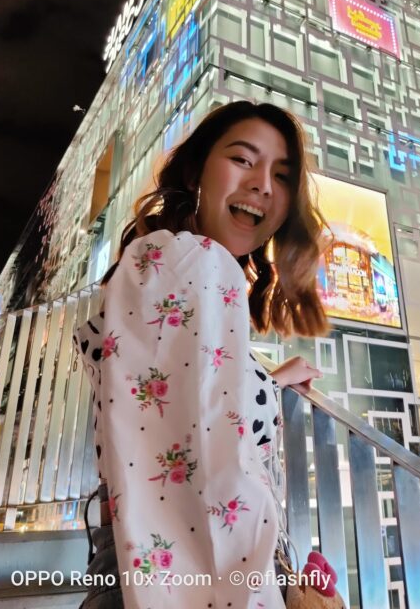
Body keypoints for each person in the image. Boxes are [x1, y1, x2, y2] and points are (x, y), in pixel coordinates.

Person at [74, 100, 328, 608]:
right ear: (195, 173)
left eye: (281, 175)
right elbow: (213, 476)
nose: (262, 184)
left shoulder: (167, 265)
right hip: (186, 581)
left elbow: (182, 416)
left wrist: (264, 382)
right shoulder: (193, 262)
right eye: (242, 159)